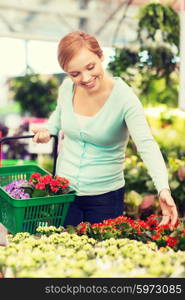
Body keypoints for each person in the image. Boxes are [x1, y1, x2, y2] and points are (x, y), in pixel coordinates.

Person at [32, 31, 178, 229]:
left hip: (104, 200)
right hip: (64, 194)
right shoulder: (67, 88)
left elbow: (146, 145)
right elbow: (58, 116)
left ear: (101, 56)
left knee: (100, 256)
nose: (85, 78)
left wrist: (163, 189)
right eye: (75, 74)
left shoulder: (124, 98)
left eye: (90, 67)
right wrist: (47, 131)